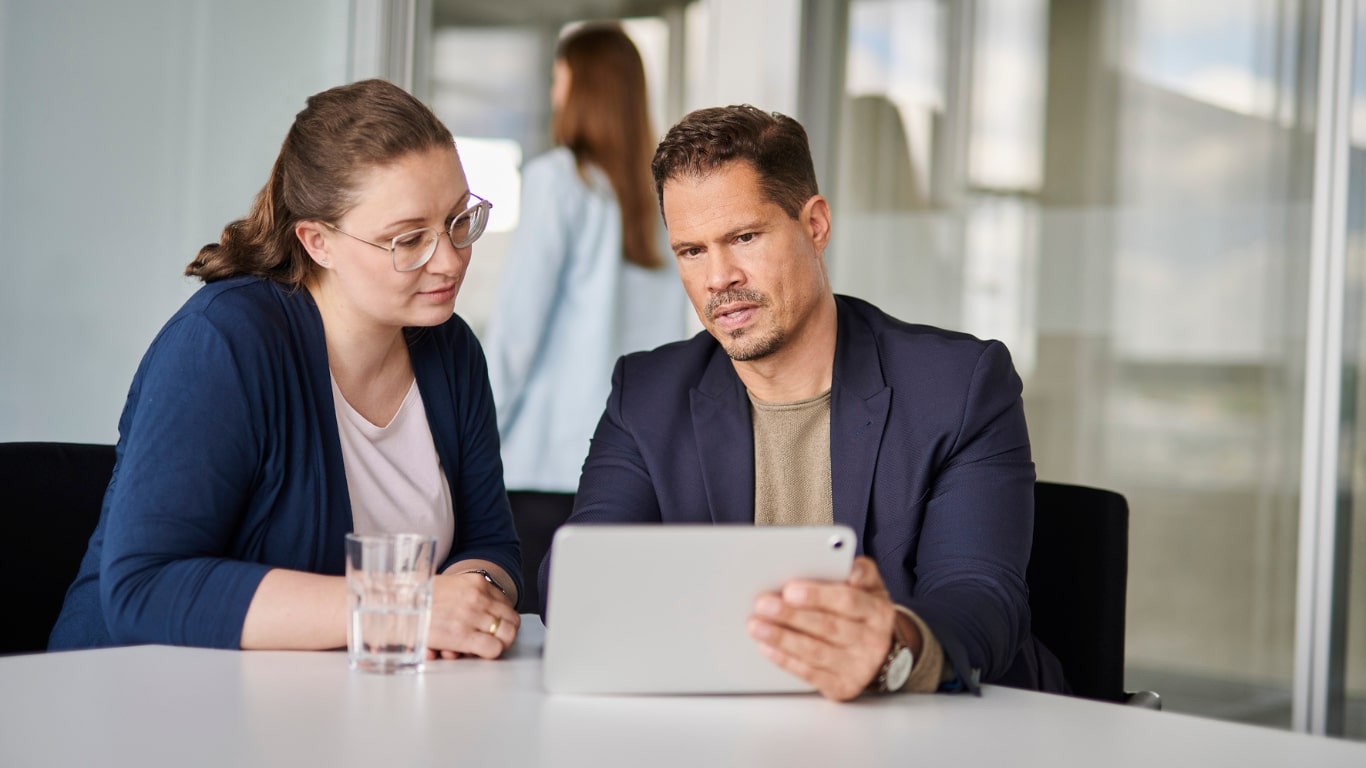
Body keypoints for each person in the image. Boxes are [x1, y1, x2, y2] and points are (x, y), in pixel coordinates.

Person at [539, 105, 1067, 701]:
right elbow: (574, 580)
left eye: (744, 237)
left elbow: (982, 596)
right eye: (691, 251)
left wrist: (890, 643)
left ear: (814, 224)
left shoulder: (958, 385)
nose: (718, 278)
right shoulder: (647, 394)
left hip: (933, 728)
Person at [49, 79, 522, 658]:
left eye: (458, 220)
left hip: (328, 711)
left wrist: (472, 598)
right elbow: (145, 587)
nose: (449, 259)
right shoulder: (224, 343)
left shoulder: (449, 350)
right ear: (317, 241)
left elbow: (489, 540)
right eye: (408, 239)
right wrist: (403, 609)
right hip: (135, 707)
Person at [482, 22, 689, 612]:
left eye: (558, 77)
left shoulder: (560, 182)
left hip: (542, 467)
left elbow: (517, 334)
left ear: (582, 87)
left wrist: (467, 443)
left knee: (527, 641)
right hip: (629, 467)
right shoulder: (659, 199)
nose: (553, 91)